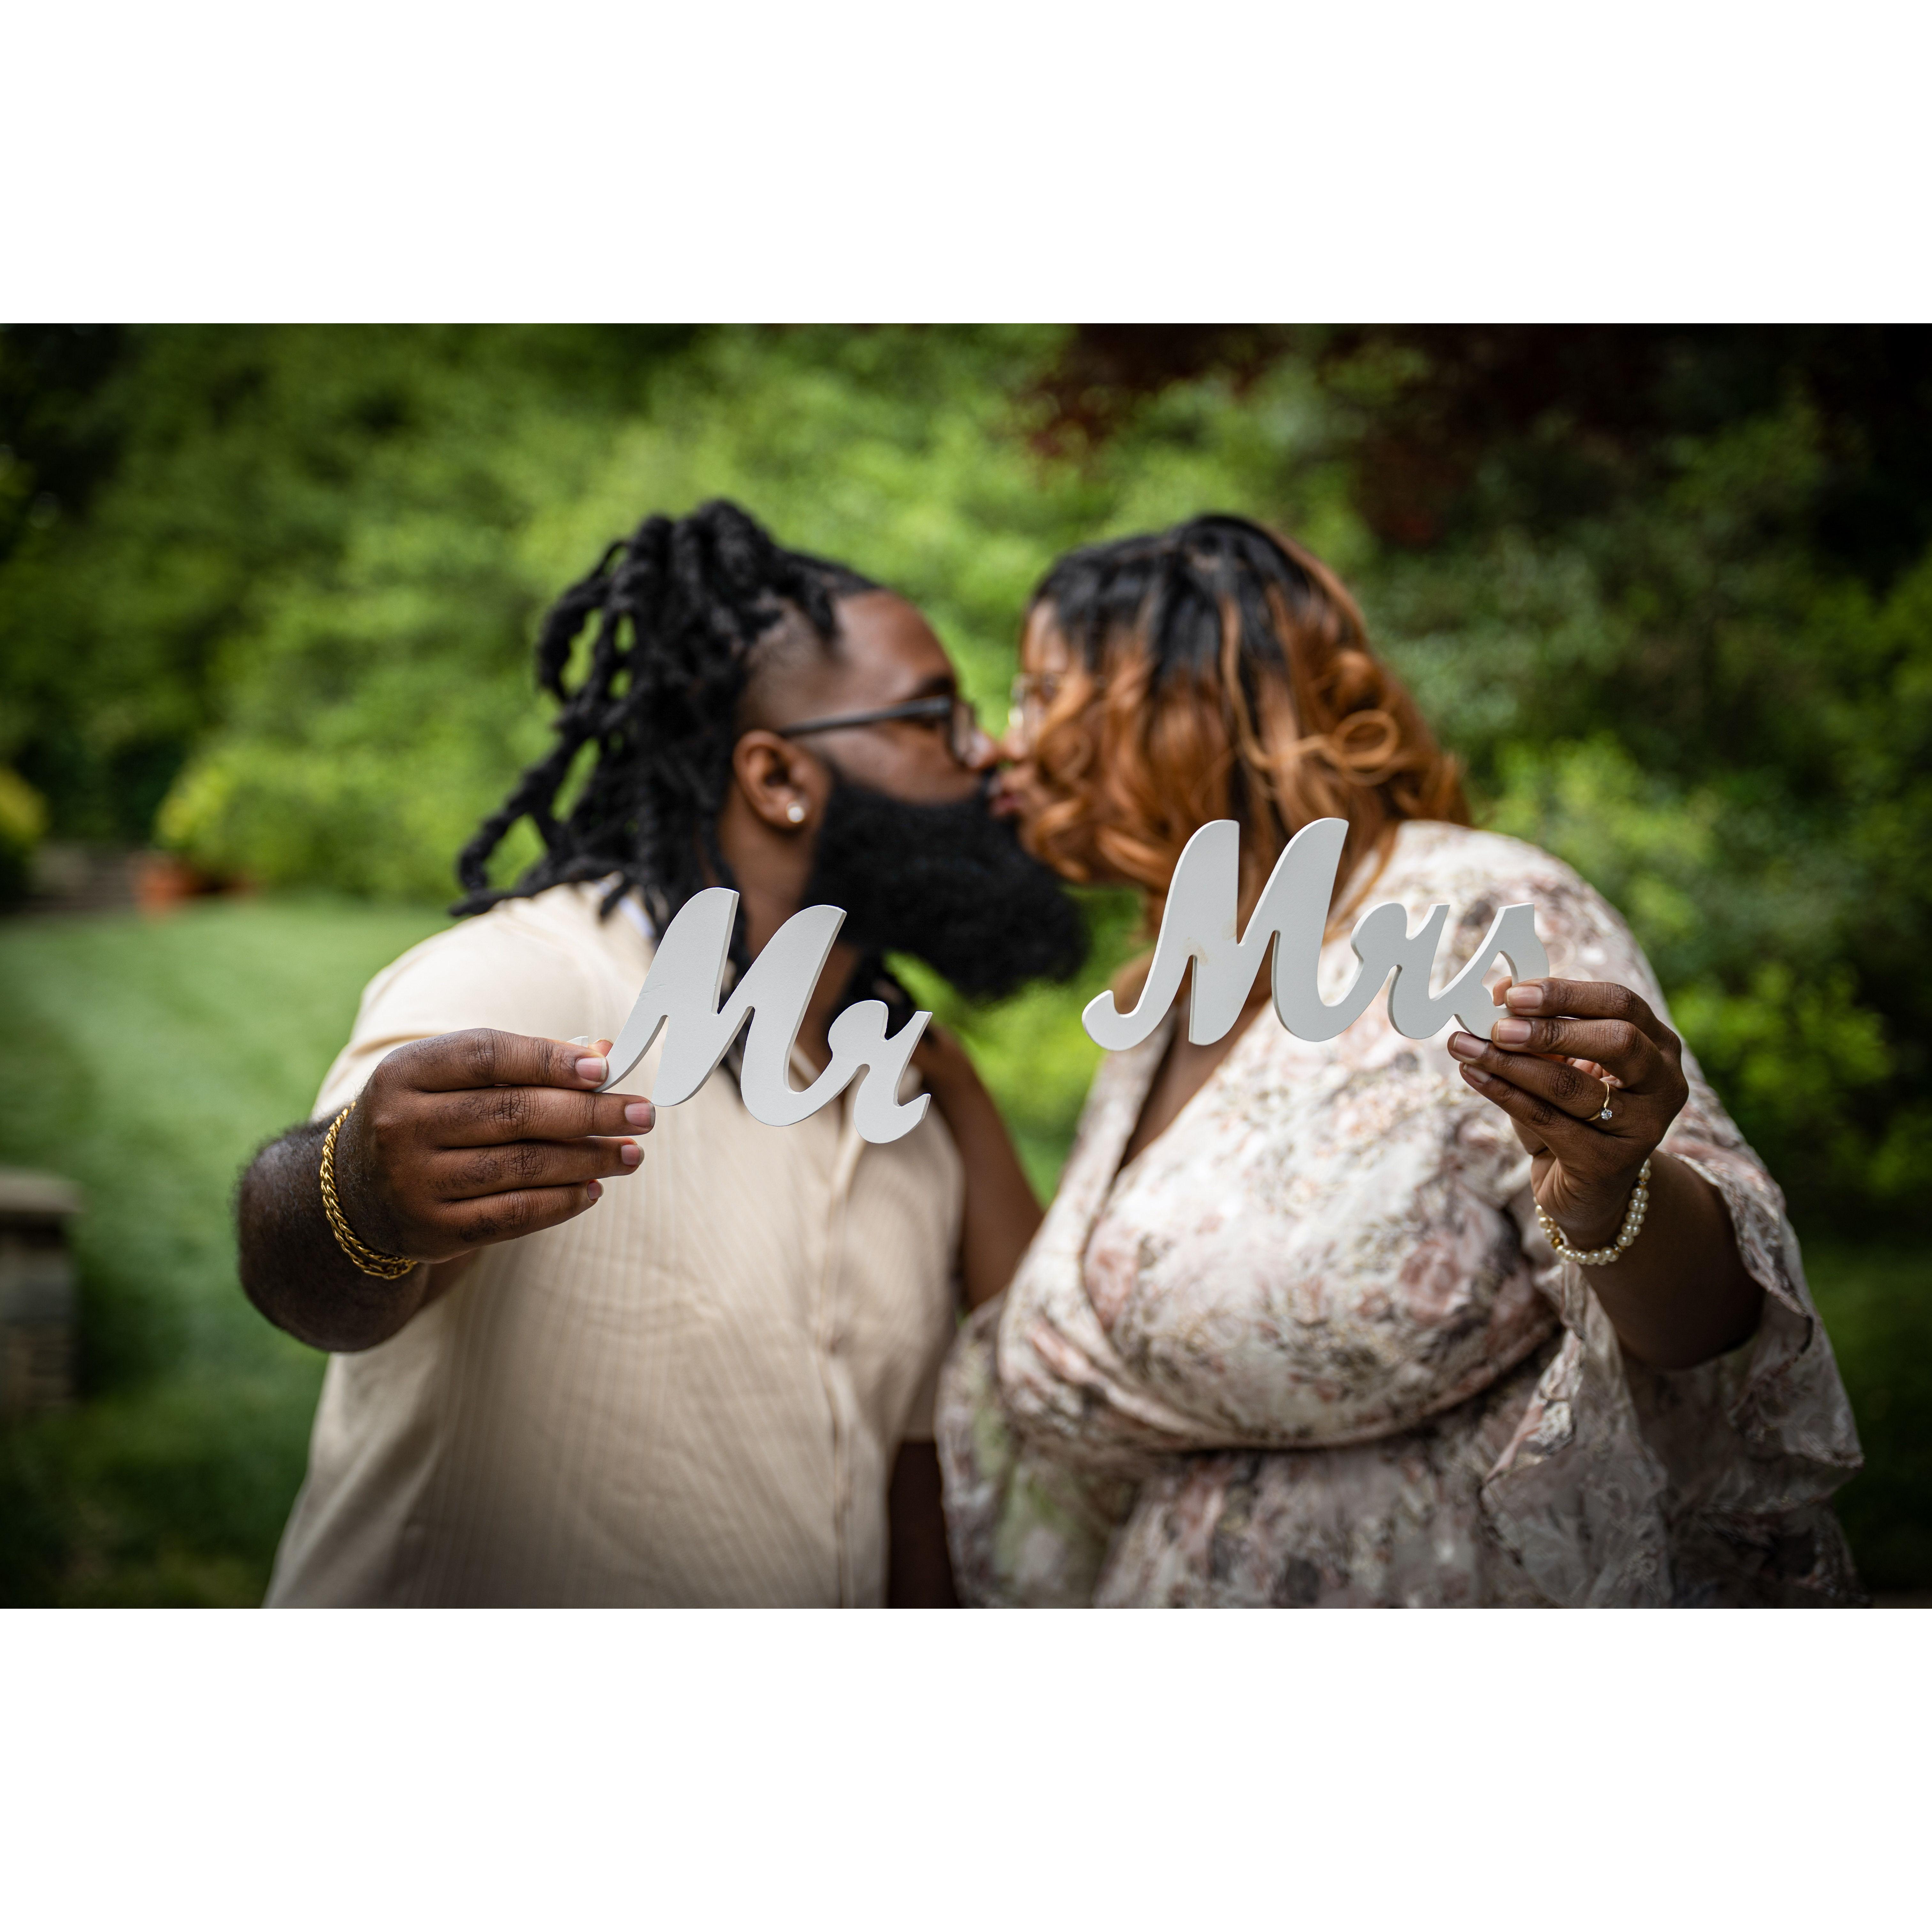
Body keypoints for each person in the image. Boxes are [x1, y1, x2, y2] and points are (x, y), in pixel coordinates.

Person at [938, 513, 1866, 1607]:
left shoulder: (1472, 914)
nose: (1003, 741)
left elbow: (1703, 1330)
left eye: (1041, 692)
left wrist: (1614, 1185)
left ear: (1184, 704)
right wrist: (944, 1079)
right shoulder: (1160, 1001)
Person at [239, 500, 1078, 1607]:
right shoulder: (538, 982)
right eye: (937, 720)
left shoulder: (908, 1093)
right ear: (779, 779)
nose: (995, 755)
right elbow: (315, 1286)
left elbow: (904, 1486)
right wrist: (359, 1191)